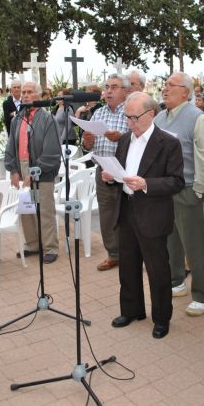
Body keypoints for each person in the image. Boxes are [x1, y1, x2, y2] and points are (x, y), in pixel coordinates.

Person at [104, 92, 184, 339]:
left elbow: (177, 181)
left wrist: (146, 183)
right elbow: (120, 173)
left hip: (153, 213)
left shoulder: (168, 142)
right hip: (127, 209)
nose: (129, 122)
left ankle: (161, 318)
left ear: (150, 115)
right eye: (127, 117)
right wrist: (110, 178)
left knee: (157, 269)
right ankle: (131, 310)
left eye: (134, 117)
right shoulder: (125, 140)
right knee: (127, 265)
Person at [155, 72, 204, 316]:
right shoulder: (160, 116)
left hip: (188, 189)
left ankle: (203, 294)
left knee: (194, 245)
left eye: (172, 85)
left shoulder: (197, 118)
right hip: (164, 189)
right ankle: (176, 281)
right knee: (171, 241)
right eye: (165, 85)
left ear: (186, 92)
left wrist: (199, 191)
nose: (165, 89)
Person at [4, 81, 61, 264]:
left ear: (38, 95)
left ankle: (50, 247)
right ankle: (33, 244)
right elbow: (11, 145)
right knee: (26, 208)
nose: (25, 95)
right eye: (23, 92)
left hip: (41, 169)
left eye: (30, 92)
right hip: (22, 167)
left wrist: (36, 170)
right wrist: (13, 169)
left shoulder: (47, 119)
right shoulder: (17, 118)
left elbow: (52, 150)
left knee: (44, 209)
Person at [82, 74, 130, 271]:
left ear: (126, 91)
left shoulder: (130, 112)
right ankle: (113, 254)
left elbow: (140, 140)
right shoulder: (98, 113)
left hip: (125, 170)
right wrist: (87, 140)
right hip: (102, 169)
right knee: (107, 214)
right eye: (107, 87)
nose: (109, 91)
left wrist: (120, 137)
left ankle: (131, 254)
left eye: (115, 87)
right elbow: (87, 147)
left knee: (128, 214)